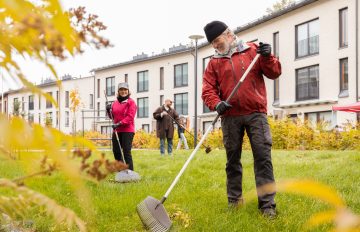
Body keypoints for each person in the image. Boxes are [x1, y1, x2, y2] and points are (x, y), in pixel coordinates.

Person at [202, 20, 282, 218]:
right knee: (232, 161)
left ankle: (267, 206)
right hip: (230, 117)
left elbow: (275, 72)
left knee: (263, 159)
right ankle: (234, 202)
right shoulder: (214, 62)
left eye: (217, 40)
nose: (214, 45)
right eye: (211, 42)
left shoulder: (253, 51)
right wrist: (216, 103)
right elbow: (207, 90)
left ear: (229, 34)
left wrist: (268, 56)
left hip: (256, 114)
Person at [106, 82, 137, 170]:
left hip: (128, 130)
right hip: (117, 130)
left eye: (125, 90)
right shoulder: (115, 103)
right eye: (121, 90)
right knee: (116, 151)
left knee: (126, 151)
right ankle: (121, 170)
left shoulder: (131, 102)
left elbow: (130, 117)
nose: (123, 91)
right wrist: (108, 110)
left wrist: (119, 123)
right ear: (118, 91)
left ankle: (130, 172)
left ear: (128, 91)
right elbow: (112, 116)